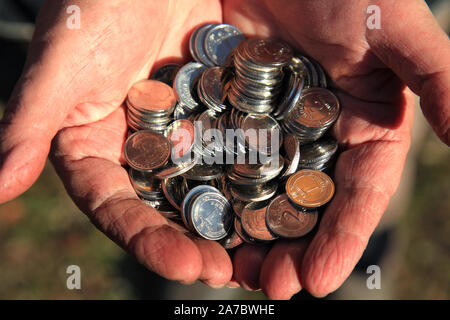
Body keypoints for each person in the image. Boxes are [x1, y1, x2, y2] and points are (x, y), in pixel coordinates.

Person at [0, 0, 449, 300]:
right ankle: (187, 286)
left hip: (369, 56)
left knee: (364, 187)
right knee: (185, 262)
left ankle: (361, 274)